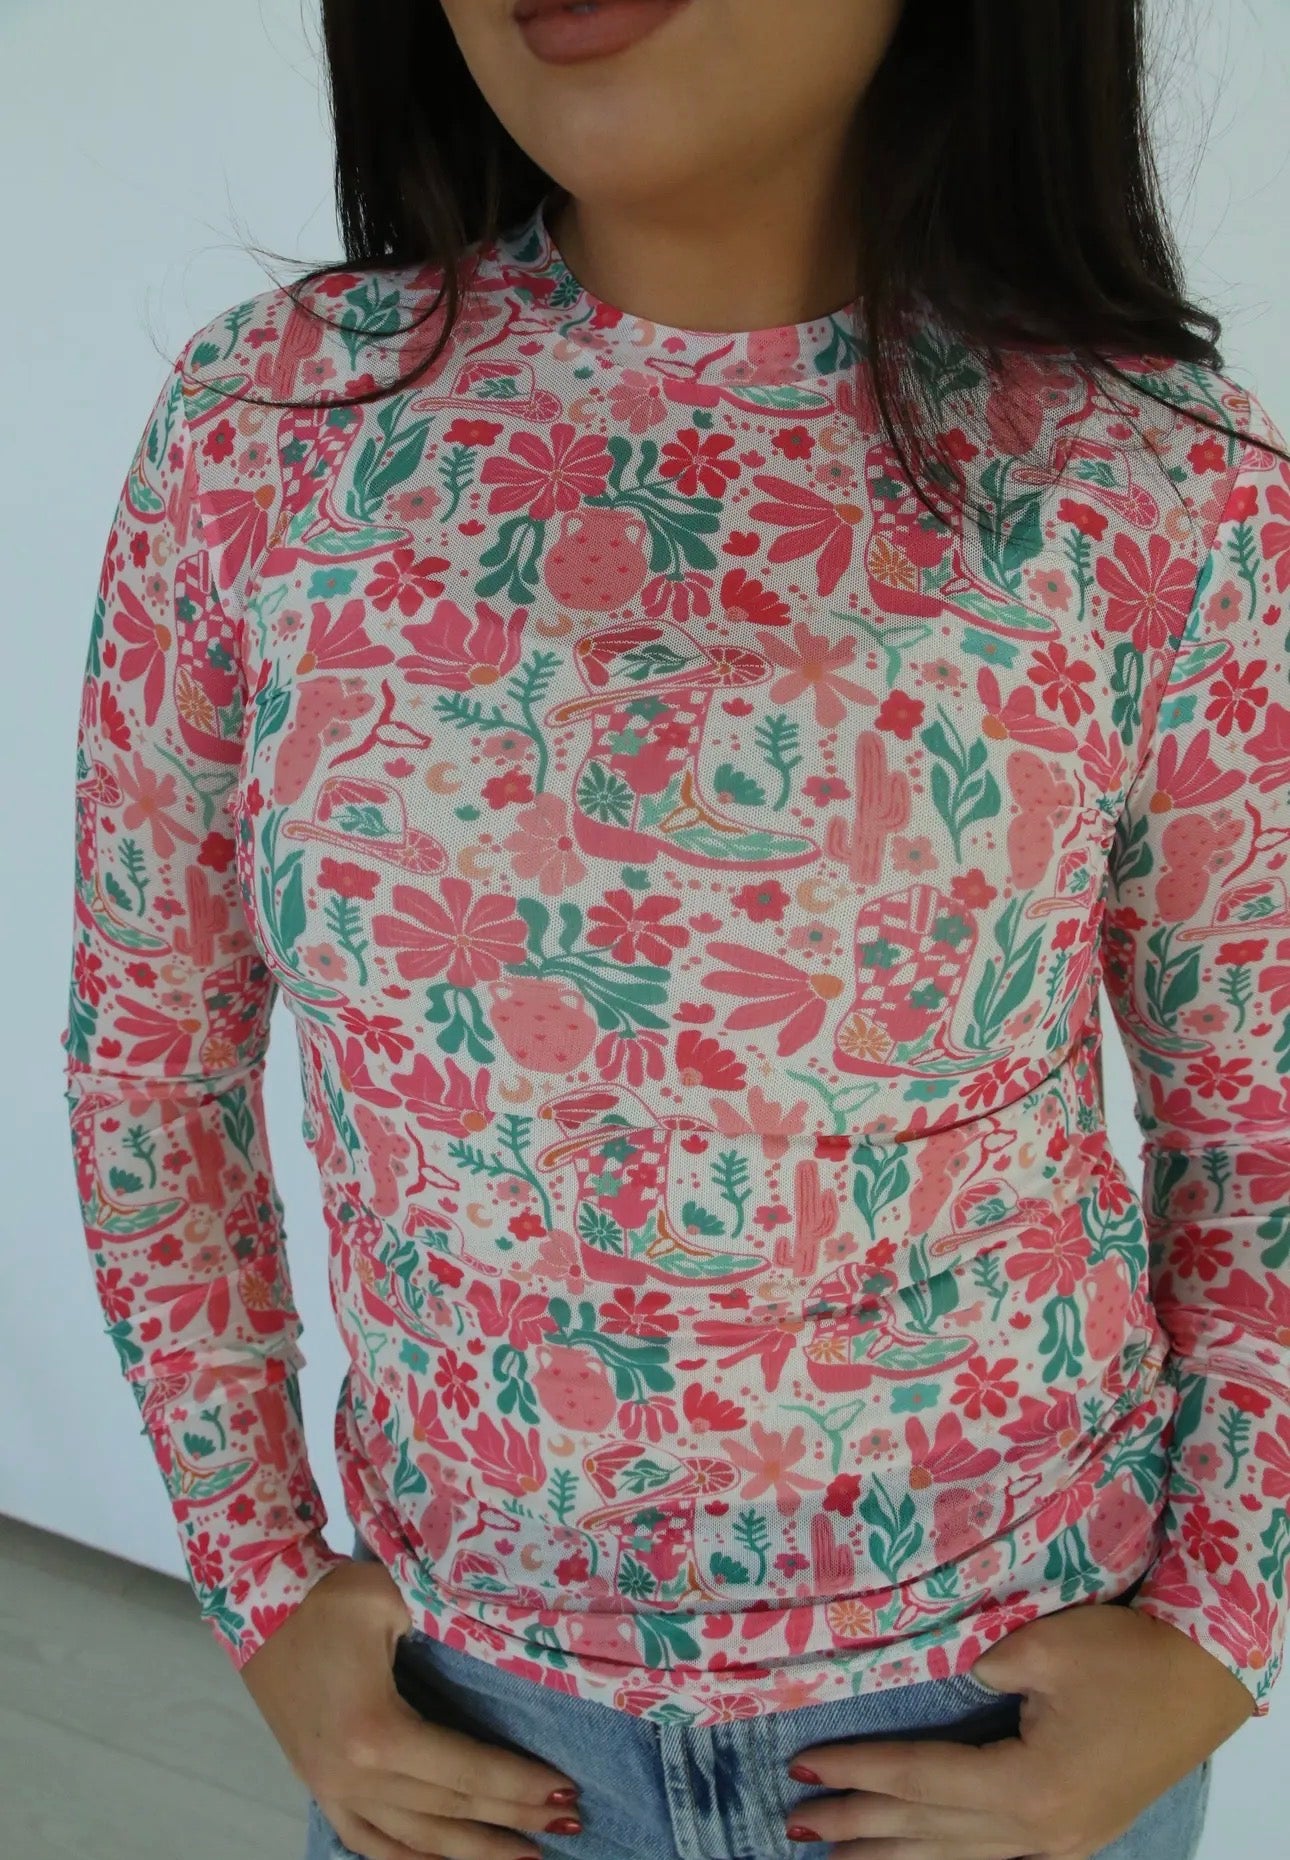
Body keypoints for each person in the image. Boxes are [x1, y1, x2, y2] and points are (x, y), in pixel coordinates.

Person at [59, 2, 1290, 1858]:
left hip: (991, 1713)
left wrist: (1217, 1631)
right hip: (465, 1732)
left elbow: (1255, 1119)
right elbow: (151, 1061)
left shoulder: (1149, 477)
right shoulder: (275, 430)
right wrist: (254, 1580)